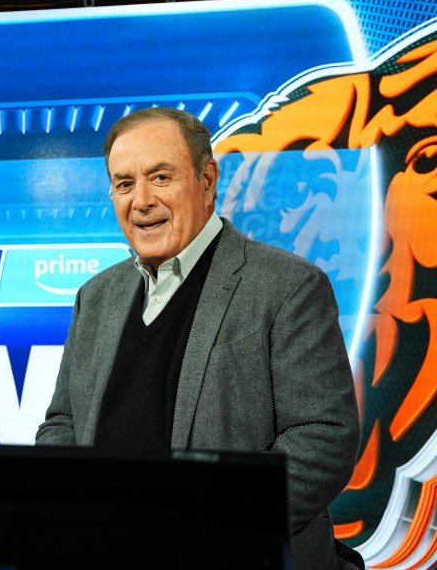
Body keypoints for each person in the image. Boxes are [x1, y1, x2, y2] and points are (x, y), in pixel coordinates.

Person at [35, 107, 361, 570]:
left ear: (207, 180)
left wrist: (213, 530)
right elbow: (63, 424)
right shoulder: (96, 296)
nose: (141, 200)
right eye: (124, 184)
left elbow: (325, 437)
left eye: (160, 177)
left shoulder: (288, 287)